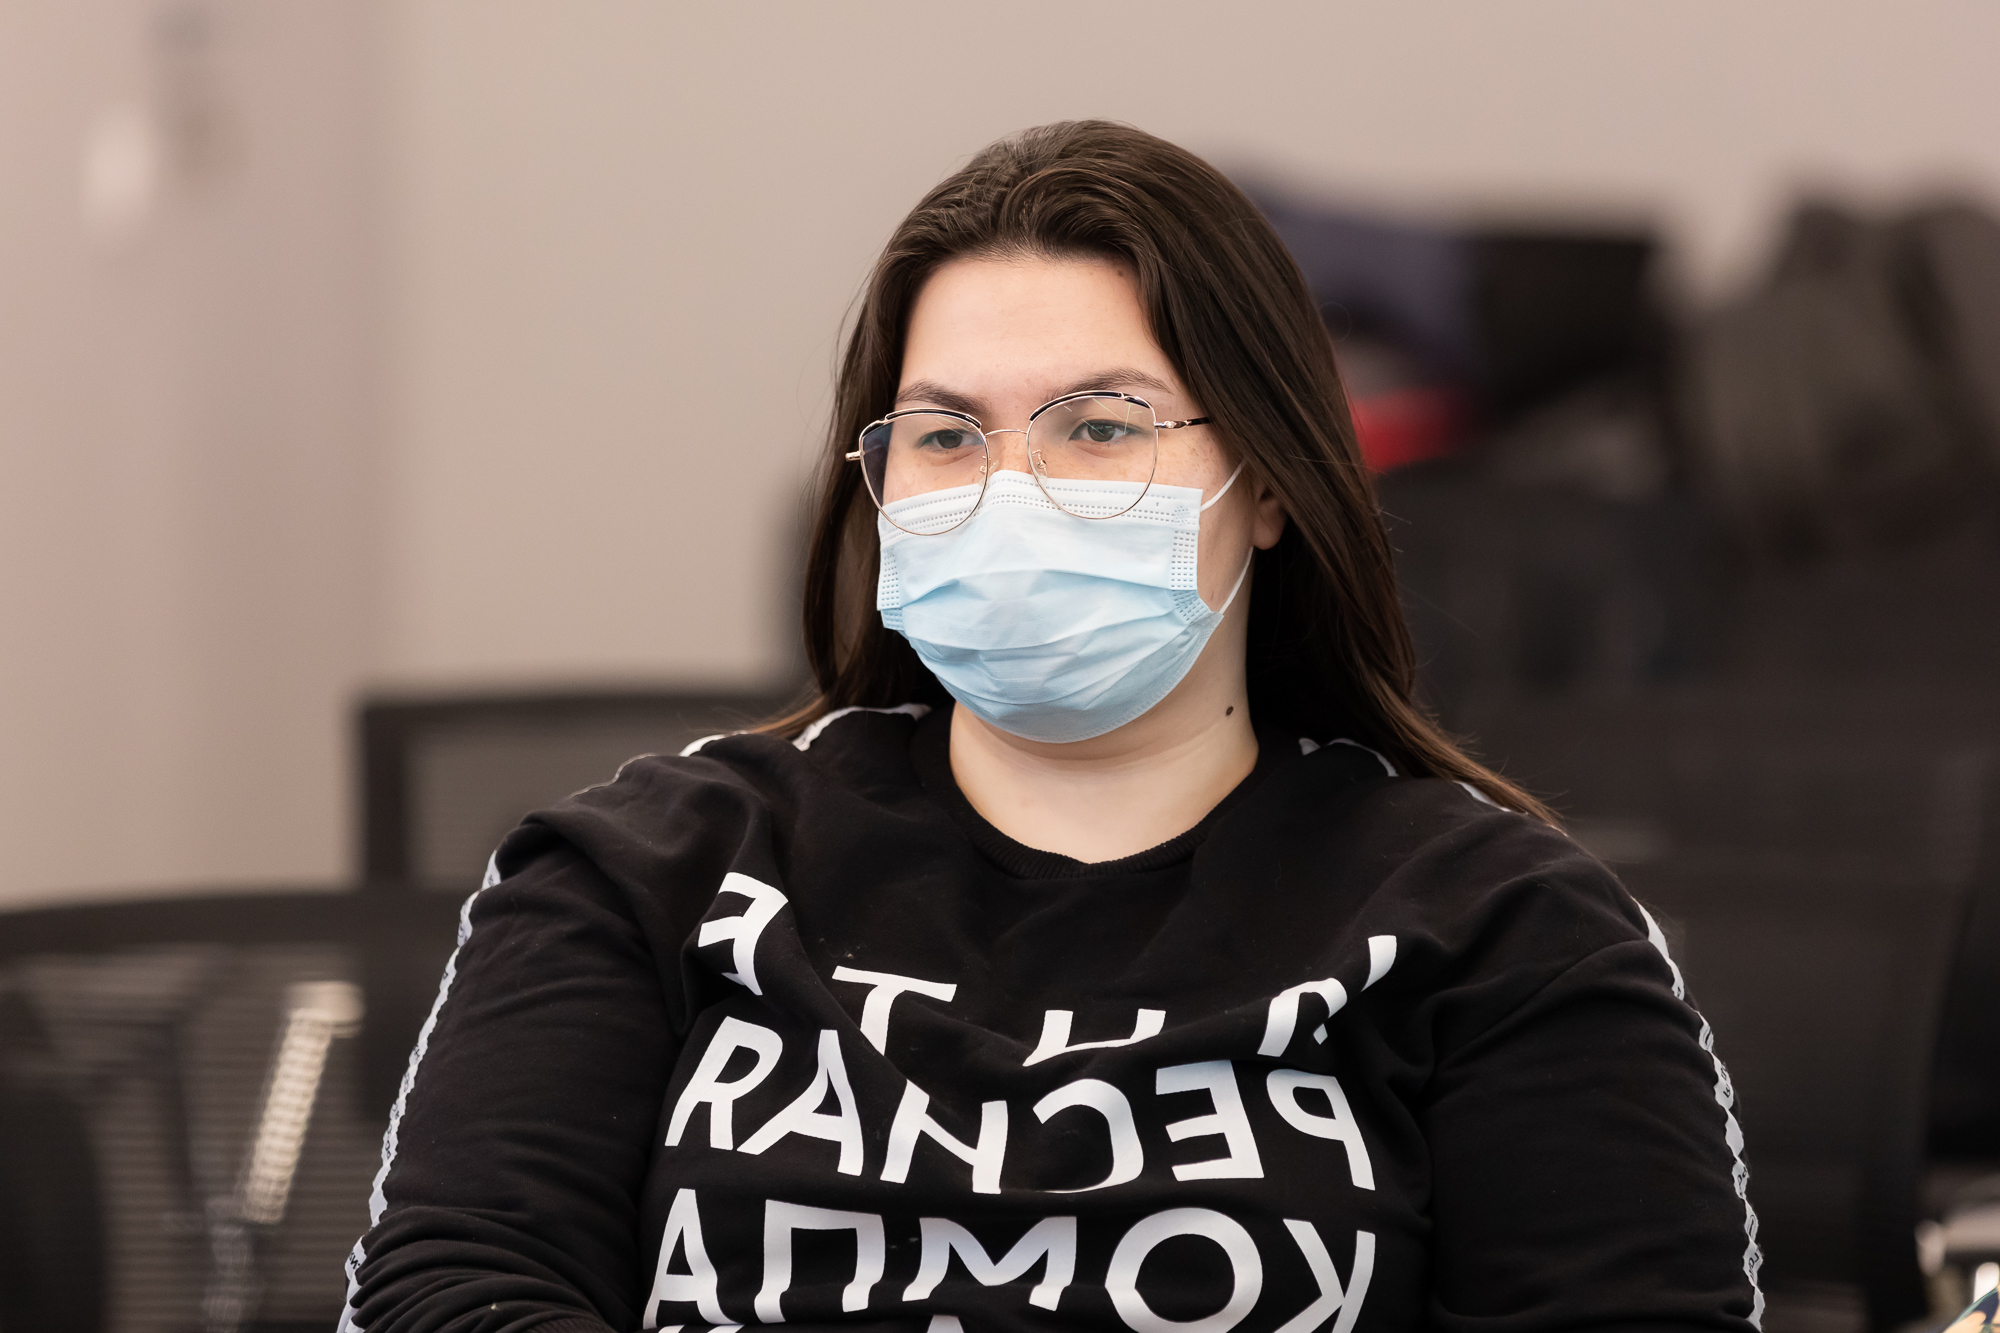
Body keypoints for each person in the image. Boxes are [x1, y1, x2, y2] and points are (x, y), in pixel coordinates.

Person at [341, 122, 1763, 1333]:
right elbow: (450, 1288)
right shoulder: (647, 870)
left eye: (1099, 428)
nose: (1007, 493)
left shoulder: (1504, 928)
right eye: (946, 435)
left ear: (1270, 481)